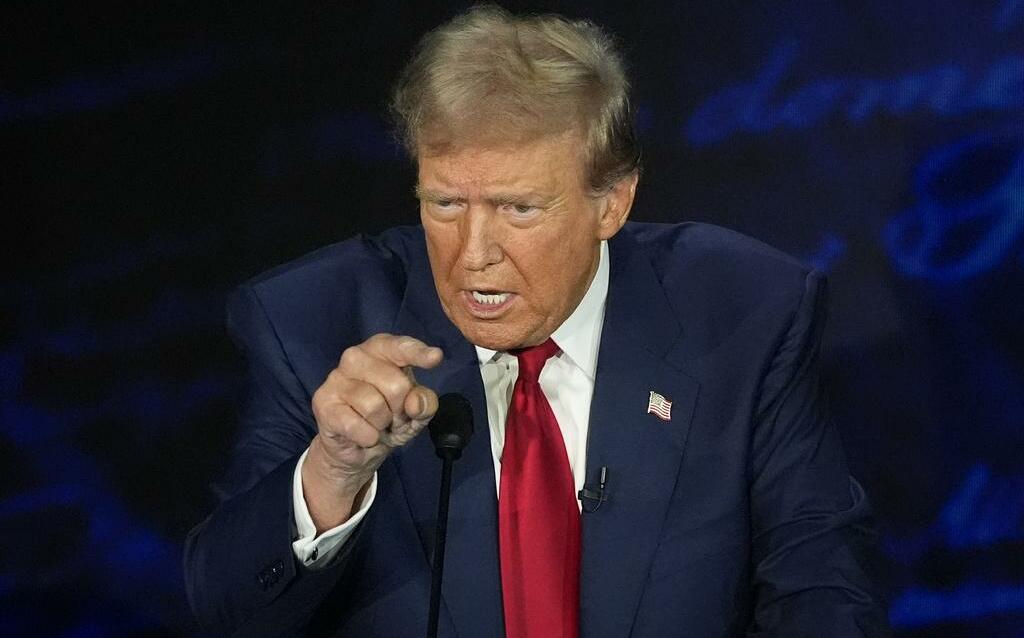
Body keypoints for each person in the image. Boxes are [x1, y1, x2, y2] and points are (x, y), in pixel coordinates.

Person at [184, 5, 888, 637]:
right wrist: (332, 473)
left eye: (518, 208)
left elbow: (821, 588)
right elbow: (224, 610)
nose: (473, 254)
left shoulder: (745, 314)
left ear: (612, 203)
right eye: (445, 205)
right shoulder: (313, 323)